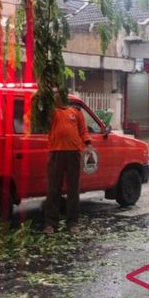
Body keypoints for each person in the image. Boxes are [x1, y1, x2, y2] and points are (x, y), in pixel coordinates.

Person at [43, 87, 93, 235]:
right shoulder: (51, 113)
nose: (57, 95)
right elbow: (41, 118)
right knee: (53, 190)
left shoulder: (76, 112)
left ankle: (73, 223)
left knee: (73, 190)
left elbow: (83, 130)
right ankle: (50, 224)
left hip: (73, 154)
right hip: (56, 154)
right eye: (54, 94)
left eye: (58, 93)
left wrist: (88, 144)